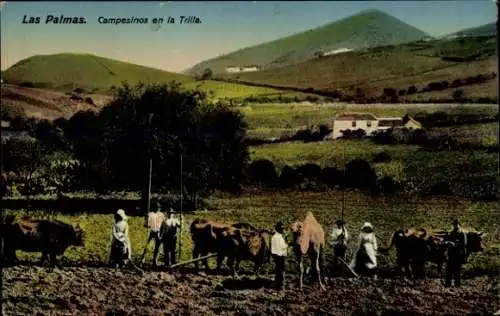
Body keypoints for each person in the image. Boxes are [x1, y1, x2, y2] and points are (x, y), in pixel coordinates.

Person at [140, 200, 166, 266]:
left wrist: (162, 232)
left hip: (158, 232)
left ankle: (155, 260)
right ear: (154, 208)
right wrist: (147, 224)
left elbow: (163, 223)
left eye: (159, 208)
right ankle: (143, 258)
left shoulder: (161, 215)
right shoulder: (150, 214)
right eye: (157, 207)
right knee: (148, 245)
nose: (158, 209)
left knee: (157, 247)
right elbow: (145, 224)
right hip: (152, 231)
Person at [444, 219, 467, 288]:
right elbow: (446, 240)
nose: (455, 226)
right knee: (448, 270)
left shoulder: (462, 234)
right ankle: (448, 285)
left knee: (457, 271)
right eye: (454, 225)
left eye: (456, 225)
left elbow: (464, 244)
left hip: (458, 255)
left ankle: (457, 285)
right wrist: (446, 242)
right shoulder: (450, 233)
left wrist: (454, 244)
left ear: (459, 225)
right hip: (450, 254)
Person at [270, 221, 288, 291]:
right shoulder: (277, 237)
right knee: (281, 270)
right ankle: (281, 286)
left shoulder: (277, 236)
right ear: (279, 229)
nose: (283, 230)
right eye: (282, 229)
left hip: (278, 255)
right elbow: (281, 247)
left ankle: (277, 283)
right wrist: (288, 245)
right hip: (280, 256)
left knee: (278, 270)